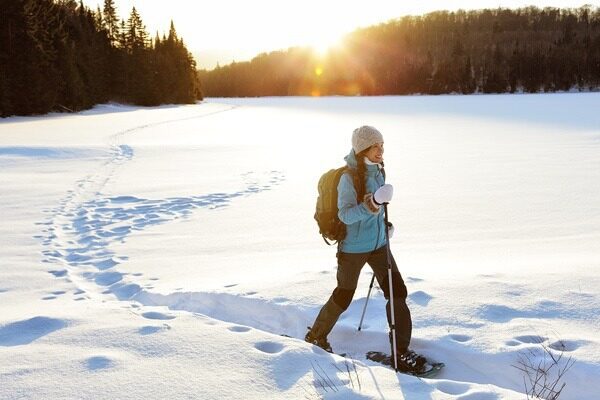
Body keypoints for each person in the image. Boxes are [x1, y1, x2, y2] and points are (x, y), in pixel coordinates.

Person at [305, 125, 427, 373]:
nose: (381, 150)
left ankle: (401, 351)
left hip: (380, 245)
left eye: (382, 145)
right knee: (344, 295)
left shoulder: (378, 171)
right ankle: (317, 335)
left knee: (397, 291)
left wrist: (384, 225)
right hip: (353, 248)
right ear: (363, 149)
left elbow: (377, 208)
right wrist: (373, 203)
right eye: (376, 146)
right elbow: (346, 215)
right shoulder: (349, 178)